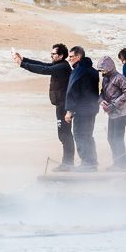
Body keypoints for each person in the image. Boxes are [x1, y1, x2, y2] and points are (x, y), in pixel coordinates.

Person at [13, 43, 75, 171]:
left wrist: (22, 65)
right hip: (60, 105)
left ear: (61, 55)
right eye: (51, 54)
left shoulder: (62, 67)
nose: (51, 56)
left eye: (53, 54)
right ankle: (68, 164)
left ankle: (68, 164)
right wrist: (24, 59)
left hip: (64, 106)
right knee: (63, 135)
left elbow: (43, 70)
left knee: (65, 135)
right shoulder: (59, 65)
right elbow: (43, 65)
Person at [63, 46, 100, 171]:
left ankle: (87, 163)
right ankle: (92, 162)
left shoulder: (78, 71)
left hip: (81, 110)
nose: (69, 59)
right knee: (88, 135)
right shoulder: (93, 71)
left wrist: (69, 110)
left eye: (71, 56)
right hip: (92, 109)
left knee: (79, 135)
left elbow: (72, 91)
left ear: (79, 57)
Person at [99, 55, 126, 171]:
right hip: (111, 113)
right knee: (111, 138)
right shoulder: (106, 79)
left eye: (103, 69)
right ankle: (116, 162)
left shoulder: (119, 78)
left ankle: (121, 165)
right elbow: (102, 92)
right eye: (101, 70)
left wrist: (113, 105)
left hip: (121, 112)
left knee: (117, 138)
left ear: (109, 67)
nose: (102, 72)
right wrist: (101, 101)